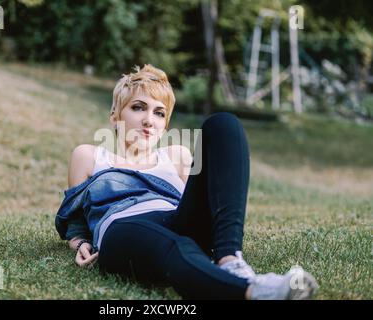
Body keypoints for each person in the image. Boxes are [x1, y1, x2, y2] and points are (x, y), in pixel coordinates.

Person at [55, 64, 318, 300]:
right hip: (123, 229)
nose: (149, 120)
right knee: (176, 247)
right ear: (115, 115)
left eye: (159, 113)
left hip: (176, 219)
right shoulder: (89, 156)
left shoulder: (176, 155)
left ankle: (229, 259)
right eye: (138, 107)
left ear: (165, 125)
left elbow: (201, 200)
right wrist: (79, 243)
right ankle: (254, 291)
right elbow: (74, 217)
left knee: (223, 123)